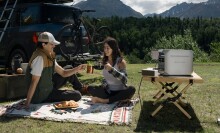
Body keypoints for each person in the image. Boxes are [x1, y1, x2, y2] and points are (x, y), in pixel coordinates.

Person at [24, 31, 87, 108]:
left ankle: (81, 88)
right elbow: (34, 81)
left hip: (47, 86)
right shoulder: (39, 58)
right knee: (77, 95)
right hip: (41, 95)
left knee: (69, 68)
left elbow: (63, 73)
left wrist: (77, 69)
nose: (54, 46)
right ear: (43, 44)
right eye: (52, 44)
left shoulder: (49, 54)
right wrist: (28, 102)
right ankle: (79, 91)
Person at [85, 37, 136, 104]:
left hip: (120, 91)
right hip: (108, 92)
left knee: (132, 89)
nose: (105, 50)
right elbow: (106, 79)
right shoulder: (104, 61)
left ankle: (104, 100)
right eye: (104, 47)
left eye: (108, 48)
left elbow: (124, 79)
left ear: (113, 48)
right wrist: (104, 84)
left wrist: (112, 70)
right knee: (90, 88)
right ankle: (115, 100)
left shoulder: (120, 61)